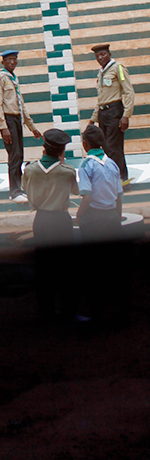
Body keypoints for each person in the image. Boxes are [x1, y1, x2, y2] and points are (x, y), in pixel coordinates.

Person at [23, 128, 80, 321]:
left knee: (43, 268)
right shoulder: (67, 172)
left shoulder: (30, 169)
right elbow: (76, 190)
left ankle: (46, 311)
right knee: (66, 268)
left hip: (41, 220)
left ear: (44, 148)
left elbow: (24, 187)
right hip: (61, 220)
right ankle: (69, 312)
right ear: (62, 151)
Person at [77, 123, 130, 323]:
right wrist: (117, 218)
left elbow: (87, 197)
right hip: (111, 218)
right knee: (115, 267)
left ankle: (96, 315)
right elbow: (119, 197)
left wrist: (79, 215)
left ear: (85, 144)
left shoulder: (86, 166)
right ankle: (122, 313)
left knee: (93, 269)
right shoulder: (113, 164)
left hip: (93, 220)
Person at [0, 49, 42, 202]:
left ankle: (19, 188)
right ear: (3, 62)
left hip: (17, 119)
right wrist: (3, 127)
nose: (13, 62)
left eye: (15, 59)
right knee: (14, 156)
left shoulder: (13, 78)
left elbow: (21, 104)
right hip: (8, 120)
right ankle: (14, 192)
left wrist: (32, 127)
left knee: (19, 156)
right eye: (9, 60)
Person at [90, 42, 134, 185]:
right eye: (97, 56)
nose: (100, 58)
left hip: (115, 111)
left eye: (103, 54)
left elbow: (129, 92)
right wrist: (92, 119)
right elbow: (101, 99)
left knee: (114, 147)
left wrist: (126, 115)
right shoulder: (101, 72)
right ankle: (115, 180)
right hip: (103, 113)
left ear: (109, 54)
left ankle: (121, 181)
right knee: (107, 148)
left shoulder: (118, 68)